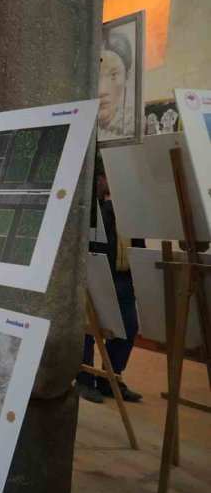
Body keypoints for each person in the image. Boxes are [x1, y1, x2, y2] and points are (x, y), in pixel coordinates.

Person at [76, 172, 143, 404]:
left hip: (125, 279)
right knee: (89, 329)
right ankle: (85, 379)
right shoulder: (102, 210)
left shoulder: (133, 213)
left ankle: (110, 378)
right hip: (99, 275)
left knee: (129, 327)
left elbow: (139, 245)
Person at [97, 30, 134, 140]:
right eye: (95, 77)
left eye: (113, 75)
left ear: (126, 77)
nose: (101, 90)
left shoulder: (133, 124)